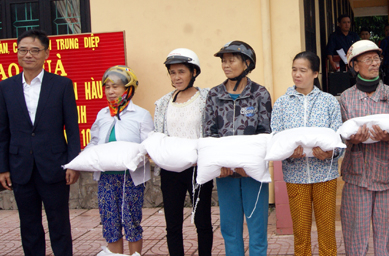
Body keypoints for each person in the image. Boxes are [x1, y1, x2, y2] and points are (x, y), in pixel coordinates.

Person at [0, 29, 80, 256]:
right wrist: (3, 167)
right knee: (29, 225)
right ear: (17, 53)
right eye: (23, 50)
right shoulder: (5, 87)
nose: (28, 55)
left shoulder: (61, 85)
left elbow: (72, 129)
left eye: (34, 50)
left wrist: (73, 163)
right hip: (20, 167)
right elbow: (2, 131)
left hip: (54, 166)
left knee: (59, 224)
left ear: (46, 54)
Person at [271, 51, 343, 256]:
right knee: (301, 233)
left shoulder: (329, 102)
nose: (297, 74)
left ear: (315, 73)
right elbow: (275, 135)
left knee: (327, 231)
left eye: (303, 70)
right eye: (294, 69)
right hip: (296, 176)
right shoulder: (282, 103)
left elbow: (339, 136)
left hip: (325, 176)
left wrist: (331, 154)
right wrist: (288, 152)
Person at [339, 39, 389, 255]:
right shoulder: (346, 98)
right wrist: (352, 139)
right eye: (368, 59)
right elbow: (341, 133)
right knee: (355, 232)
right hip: (356, 175)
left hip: (386, 174)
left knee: (385, 234)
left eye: (376, 58)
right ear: (355, 65)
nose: (374, 63)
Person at [205, 40, 272, 255]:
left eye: (231, 60)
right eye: (223, 61)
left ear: (246, 63)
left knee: (258, 229)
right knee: (230, 229)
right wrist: (221, 165)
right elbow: (209, 133)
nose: (226, 64)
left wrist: (249, 165)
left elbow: (265, 133)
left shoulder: (259, 94)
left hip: (253, 173)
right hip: (225, 173)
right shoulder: (214, 95)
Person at [87, 65, 153, 255]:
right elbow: (94, 142)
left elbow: (148, 145)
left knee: (131, 221)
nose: (111, 91)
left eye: (115, 87)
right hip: (106, 179)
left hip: (131, 179)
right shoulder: (102, 115)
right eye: (107, 87)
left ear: (128, 89)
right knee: (110, 223)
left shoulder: (141, 115)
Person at [154, 48, 213, 256]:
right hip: (171, 171)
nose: (176, 77)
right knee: (172, 224)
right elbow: (158, 135)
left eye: (181, 71)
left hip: (198, 169)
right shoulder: (163, 103)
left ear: (193, 72)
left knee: (203, 221)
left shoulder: (207, 98)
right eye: (172, 72)